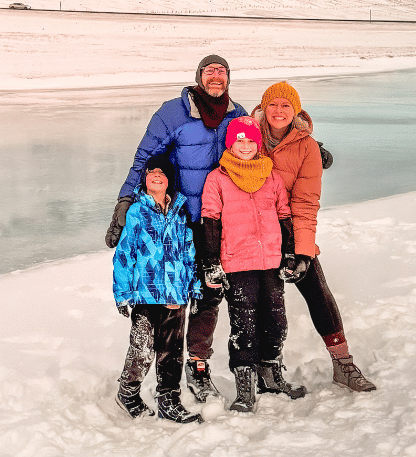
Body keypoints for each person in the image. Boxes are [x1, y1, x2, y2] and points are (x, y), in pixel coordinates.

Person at [106, 55, 247, 403]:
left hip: (221, 220)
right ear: (198, 77)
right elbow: (144, 158)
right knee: (174, 298)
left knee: (211, 294)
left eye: (222, 71)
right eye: (209, 71)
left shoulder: (237, 113)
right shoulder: (173, 112)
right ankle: (150, 377)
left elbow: (256, 150)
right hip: (181, 221)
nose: (216, 76)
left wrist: (308, 147)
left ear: (229, 78)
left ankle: (197, 366)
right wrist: (126, 200)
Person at [252, 81, 376, 392]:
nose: (279, 111)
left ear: (295, 111)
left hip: (292, 229)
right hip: (252, 232)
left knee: (318, 291)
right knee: (261, 301)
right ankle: (262, 369)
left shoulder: (307, 147)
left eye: (286, 105)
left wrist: (303, 251)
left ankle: (343, 363)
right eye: (273, 104)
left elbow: (306, 201)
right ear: (263, 108)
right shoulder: (246, 137)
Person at [200, 116, 305, 413]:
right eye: (239, 141)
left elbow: (284, 214)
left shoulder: (270, 176)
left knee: (276, 321)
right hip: (237, 261)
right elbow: (210, 220)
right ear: (230, 144)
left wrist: (289, 254)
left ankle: (270, 377)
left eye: (250, 141)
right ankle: (245, 389)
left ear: (257, 144)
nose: (245, 146)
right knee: (244, 326)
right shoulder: (217, 178)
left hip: (270, 260)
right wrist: (211, 262)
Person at [113, 155, 202, 423]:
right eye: (151, 172)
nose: (156, 176)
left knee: (172, 351)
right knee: (142, 349)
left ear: (169, 180)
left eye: (162, 173)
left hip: (175, 293)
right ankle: (128, 393)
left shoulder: (179, 211)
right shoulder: (137, 211)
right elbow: (124, 254)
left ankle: (169, 400)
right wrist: (122, 292)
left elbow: (189, 252)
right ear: (145, 178)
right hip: (145, 293)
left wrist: (194, 288)